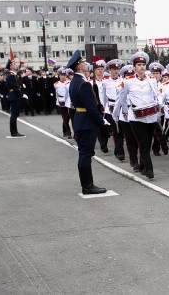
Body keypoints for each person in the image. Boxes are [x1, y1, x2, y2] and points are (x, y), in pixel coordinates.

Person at [66, 50, 107, 195]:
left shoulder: (75, 81)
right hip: (87, 122)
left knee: (84, 153)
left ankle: (87, 185)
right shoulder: (83, 83)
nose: (85, 64)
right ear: (79, 67)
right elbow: (91, 107)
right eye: (83, 63)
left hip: (80, 120)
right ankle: (88, 186)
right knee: (86, 154)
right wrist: (102, 123)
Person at [114, 52, 160, 179]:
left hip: (150, 115)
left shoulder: (152, 80)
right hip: (136, 116)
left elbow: (156, 95)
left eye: (143, 64)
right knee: (143, 143)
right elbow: (122, 98)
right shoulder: (128, 81)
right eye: (139, 65)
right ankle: (149, 169)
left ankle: (141, 165)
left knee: (148, 143)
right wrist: (125, 110)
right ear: (134, 67)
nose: (141, 67)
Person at [5, 58, 26, 137]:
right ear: (10, 66)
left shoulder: (14, 75)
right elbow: (14, 87)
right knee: (14, 115)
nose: (16, 64)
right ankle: (13, 132)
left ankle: (15, 131)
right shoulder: (10, 76)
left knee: (15, 114)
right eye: (14, 64)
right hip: (14, 97)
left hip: (15, 96)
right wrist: (21, 95)